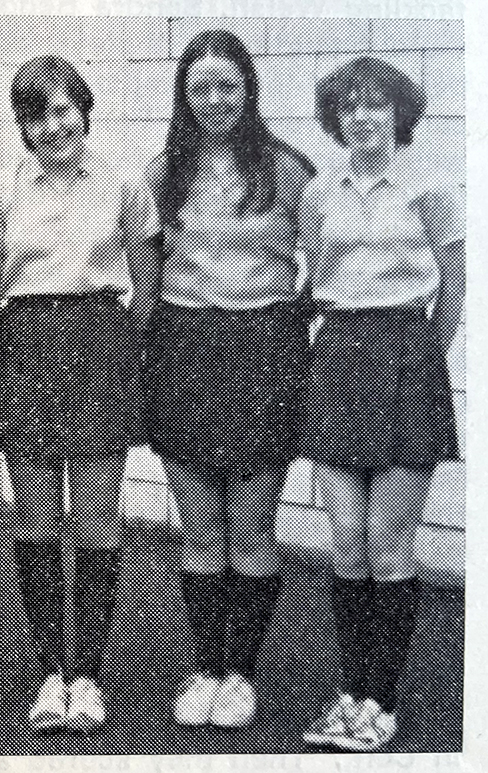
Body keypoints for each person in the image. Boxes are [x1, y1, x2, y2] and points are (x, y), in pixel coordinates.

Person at [0, 55, 158, 734]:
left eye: (62, 109)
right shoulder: (1, 188)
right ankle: (52, 671)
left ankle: (91, 676)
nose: (52, 126)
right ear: (21, 125)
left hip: (98, 345)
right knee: (37, 521)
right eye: (35, 114)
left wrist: (109, 349)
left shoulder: (124, 185)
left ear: (84, 108)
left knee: (98, 521)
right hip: (26, 347)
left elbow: (146, 288)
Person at [139, 30, 315, 728]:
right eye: (200, 88)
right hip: (185, 349)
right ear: (184, 97)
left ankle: (241, 673)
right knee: (201, 531)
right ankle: (205, 666)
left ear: (249, 89)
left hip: (264, 351)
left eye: (227, 86)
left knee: (251, 529)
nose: (215, 100)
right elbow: (146, 279)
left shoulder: (289, 169)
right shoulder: (162, 173)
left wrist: (285, 331)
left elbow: (326, 264)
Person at [298, 57, 464, 751]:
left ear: (401, 113)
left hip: (406, 356)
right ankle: (351, 691)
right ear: (336, 117)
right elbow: (317, 273)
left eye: (376, 104)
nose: (361, 117)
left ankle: (382, 702)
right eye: (348, 106)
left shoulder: (431, 186)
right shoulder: (317, 192)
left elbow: (453, 289)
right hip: (336, 355)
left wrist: (421, 358)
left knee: (387, 544)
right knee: (346, 542)